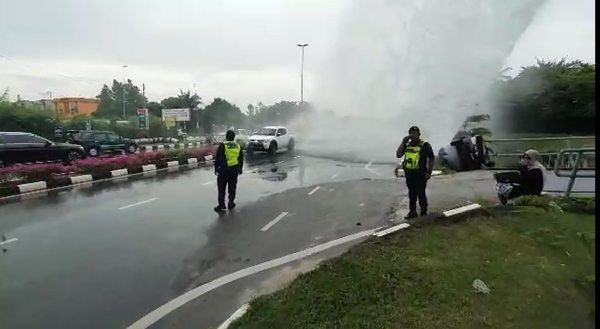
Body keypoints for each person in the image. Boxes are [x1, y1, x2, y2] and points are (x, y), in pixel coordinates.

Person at [396, 126, 435, 219]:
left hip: (420, 173)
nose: (413, 135)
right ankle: (412, 212)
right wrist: (403, 142)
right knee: (411, 193)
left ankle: (424, 211)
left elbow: (432, 159)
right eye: (411, 133)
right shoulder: (407, 145)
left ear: (419, 134)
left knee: (421, 193)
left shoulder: (424, 145)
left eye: (415, 133)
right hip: (409, 173)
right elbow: (398, 155)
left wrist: (429, 172)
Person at [213, 130, 244, 212]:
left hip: (224, 170)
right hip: (234, 170)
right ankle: (231, 203)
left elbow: (218, 157)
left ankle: (221, 205)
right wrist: (240, 168)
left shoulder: (223, 145)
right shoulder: (238, 146)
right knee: (232, 187)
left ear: (226, 136)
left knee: (221, 188)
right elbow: (240, 158)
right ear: (234, 137)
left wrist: (216, 168)